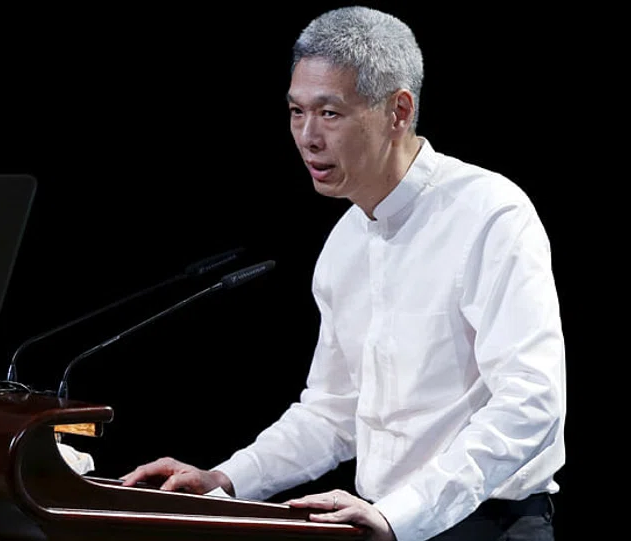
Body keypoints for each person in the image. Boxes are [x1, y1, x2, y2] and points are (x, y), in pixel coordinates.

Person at [120, 6, 566, 541]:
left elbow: (530, 402)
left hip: (487, 525)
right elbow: (333, 412)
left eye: (330, 113)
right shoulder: (346, 242)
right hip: (380, 521)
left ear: (399, 110)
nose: (307, 137)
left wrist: (403, 514)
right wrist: (227, 480)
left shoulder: (490, 214)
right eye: (296, 112)